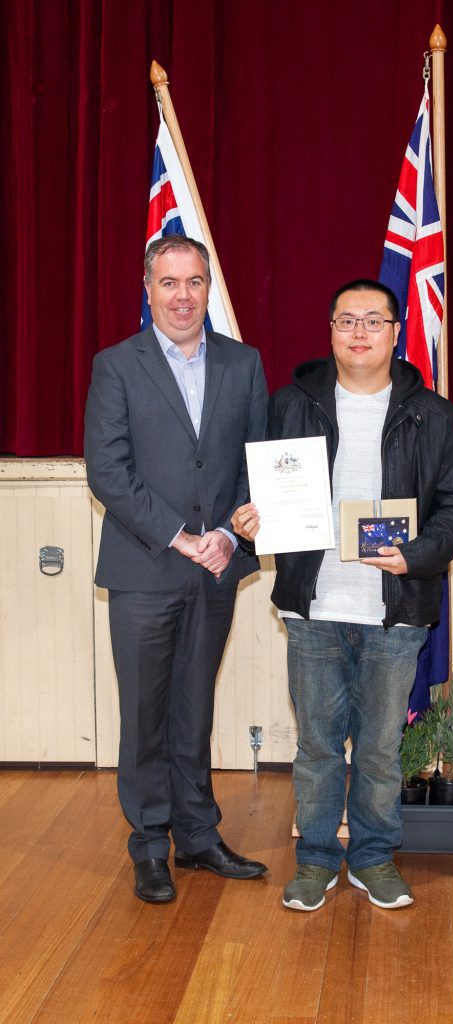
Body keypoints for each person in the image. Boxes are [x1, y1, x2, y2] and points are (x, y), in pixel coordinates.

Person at [232, 279, 453, 912]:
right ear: (331, 332)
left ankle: (372, 857)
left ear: (397, 332)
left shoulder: (435, 412)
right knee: (316, 744)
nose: (360, 332)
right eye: (347, 321)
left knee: (377, 748)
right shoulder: (291, 403)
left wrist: (417, 556)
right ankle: (315, 859)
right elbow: (252, 479)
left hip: (395, 609)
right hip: (312, 606)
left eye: (374, 320)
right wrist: (249, 514)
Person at [84, 235, 269, 903]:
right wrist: (178, 536)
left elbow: (257, 462)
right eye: (169, 283)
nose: (183, 295)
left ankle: (198, 839)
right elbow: (107, 470)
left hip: (215, 569)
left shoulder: (242, 364)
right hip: (144, 571)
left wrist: (223, 535)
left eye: (194, 282)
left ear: (208, 286)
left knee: (194, 711)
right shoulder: (116, 365)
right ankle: (149, 846)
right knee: (145, 716)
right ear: (148, 287)